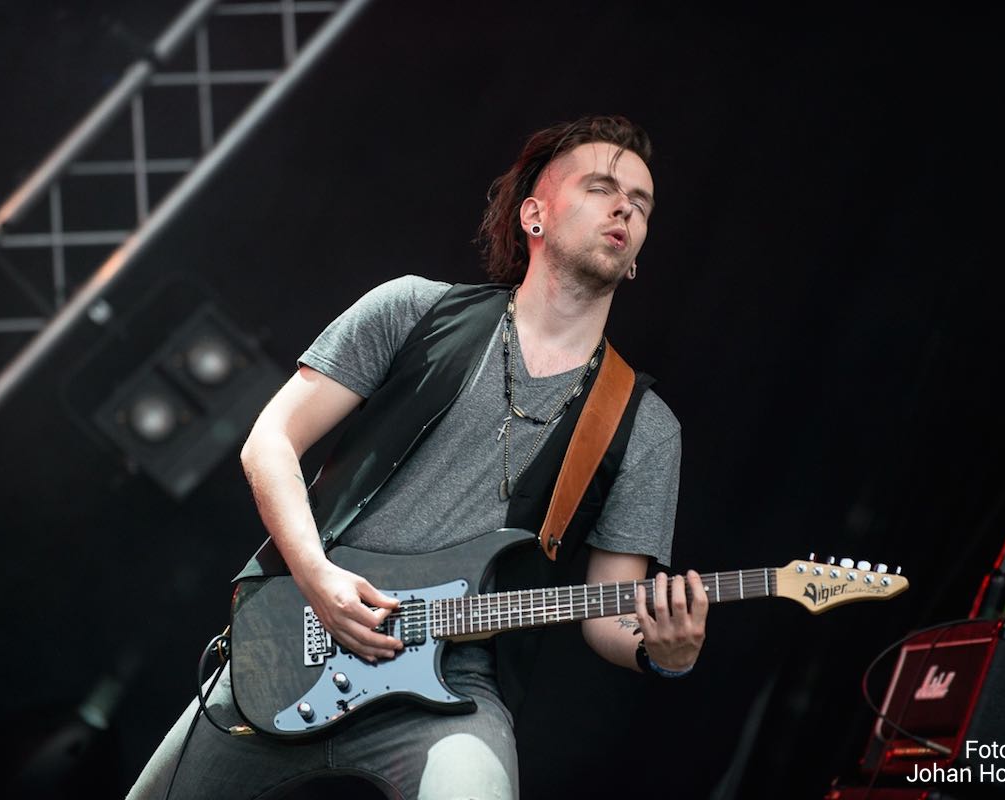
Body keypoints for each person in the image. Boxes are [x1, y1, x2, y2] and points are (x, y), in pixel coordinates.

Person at [127, 114, 708, 800]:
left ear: (636, 253)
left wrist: (661, 652)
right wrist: (317, 576)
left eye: (640, 202)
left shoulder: (643, 425)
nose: (624, 209)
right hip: (296, 631)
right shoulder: (413, 310)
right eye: (602, 188)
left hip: (455, 679)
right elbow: (271, 440)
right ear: (535, 215)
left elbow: (609, 610)